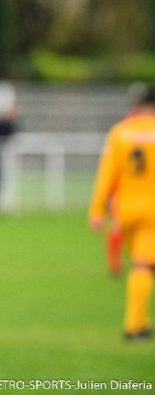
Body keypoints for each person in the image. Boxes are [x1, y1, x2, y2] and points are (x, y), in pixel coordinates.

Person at [89, 87, 155, 341]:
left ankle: (142, 323)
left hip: (126, 210)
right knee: (143, 265)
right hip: (153, 211)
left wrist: (96, 210)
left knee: (140, 265)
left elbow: (107, 174)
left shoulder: (120, 132)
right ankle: (133, 326)